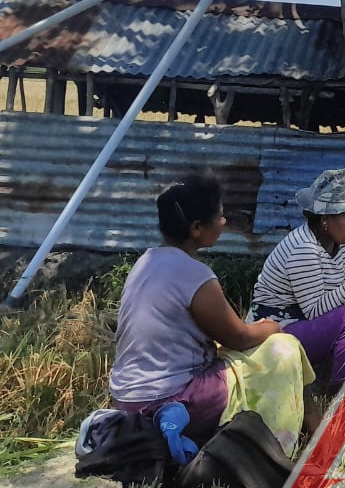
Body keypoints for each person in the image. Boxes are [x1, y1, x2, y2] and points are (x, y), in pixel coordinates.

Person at [109, 173, 313, 452]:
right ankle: (271, 448)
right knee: (284, 348)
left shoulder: (146, 261)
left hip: (126, 399)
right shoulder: (196, 275)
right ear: (196, 228)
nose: (224, 221)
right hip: (168, 399)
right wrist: (271, 327)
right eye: (219, 215)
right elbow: (238, 337)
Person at [250, 169, 345, 393]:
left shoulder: (339, 245)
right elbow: (315, 311)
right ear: (325, 220)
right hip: (278, 332)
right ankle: (343, 395)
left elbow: (344, 296)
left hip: (311, 324)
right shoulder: (303, 249)